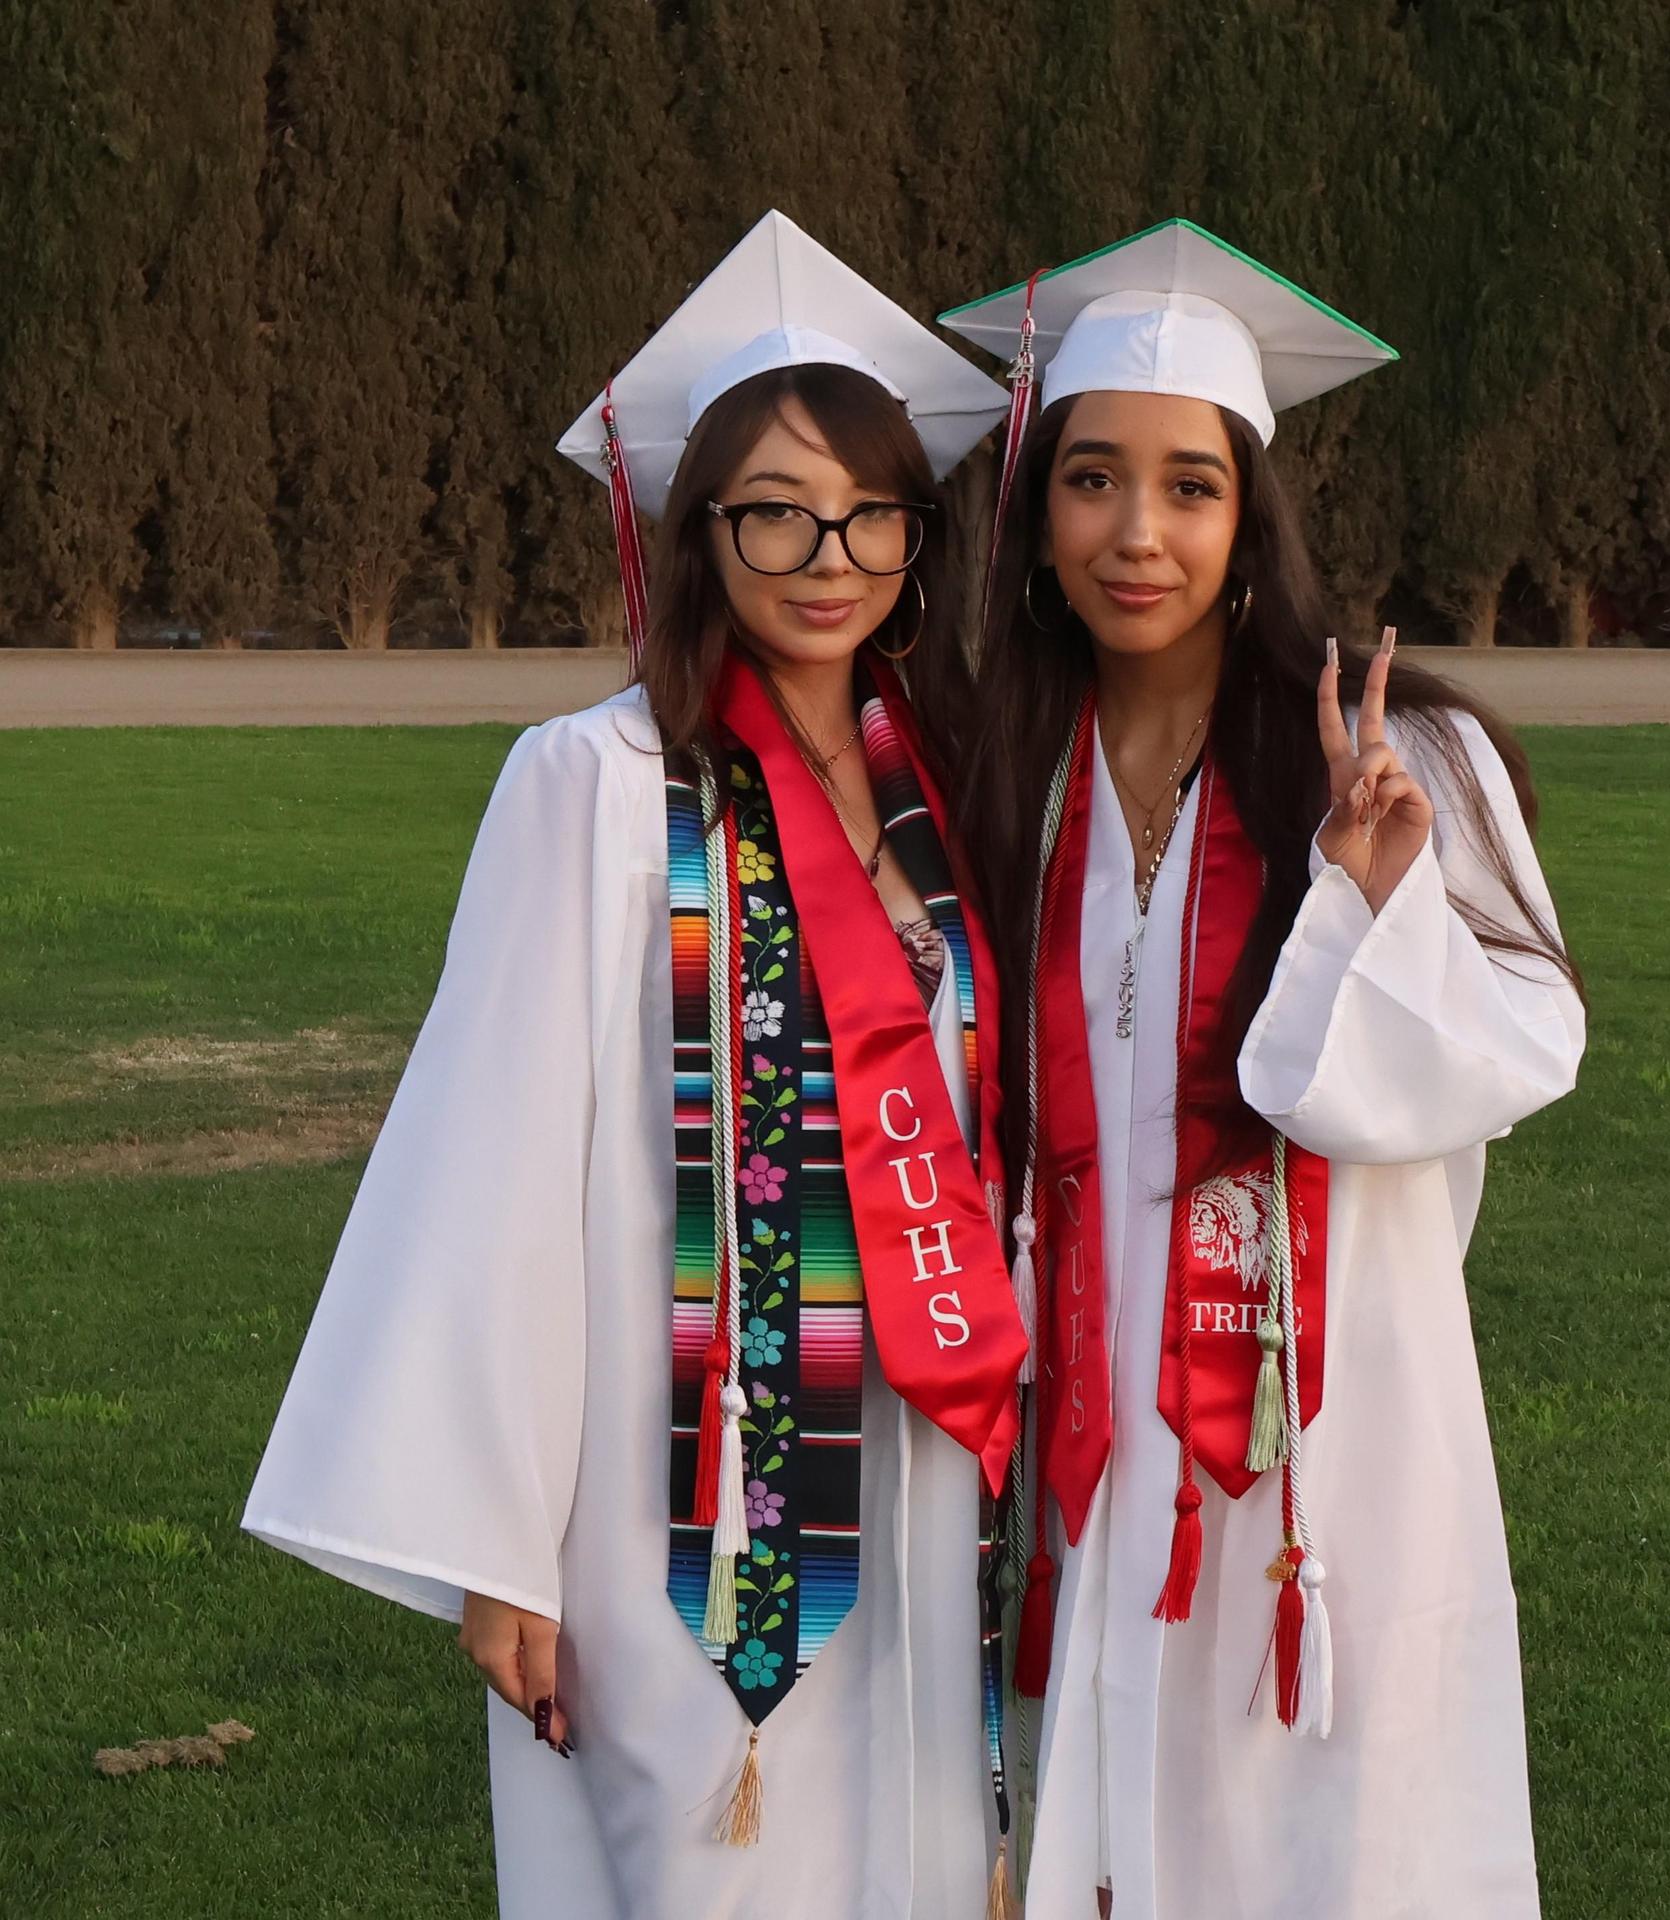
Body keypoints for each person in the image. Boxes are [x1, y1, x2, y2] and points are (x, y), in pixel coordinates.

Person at [245, 211, 1029, 1919]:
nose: (828, 554)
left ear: (915, 529)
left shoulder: (955, 789)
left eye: (869, 512)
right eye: (775, 511)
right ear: (695, 528)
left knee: (933, 1853)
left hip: (932, 1449)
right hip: (684, 1480)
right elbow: (487, 1162)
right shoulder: (594, 786)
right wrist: (492, 1545)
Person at [943, 219, 1588, 1918]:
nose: (1136, 531)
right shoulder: (1011, 767)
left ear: (1249, 517)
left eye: (1187, 484)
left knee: (1329, 1837)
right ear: (1037, 510)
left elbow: (1523, 1047)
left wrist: (1379, 903)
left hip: (1329, 1420)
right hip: (1092, 1408)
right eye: (1091, 479)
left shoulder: (1394, 752)